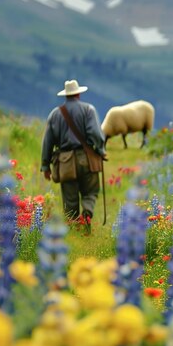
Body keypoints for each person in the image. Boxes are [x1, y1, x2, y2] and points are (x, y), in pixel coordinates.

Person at [40, 79, 106, 234]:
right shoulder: (88, 109)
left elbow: (47, 142)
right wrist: (101, 150)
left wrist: (45, 166)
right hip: (86, 158)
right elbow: (96, 134)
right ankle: (87, 214)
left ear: (66, 95)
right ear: (78, 93)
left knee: (70, 199)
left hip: (65, 161)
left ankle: (74, 229)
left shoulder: (55, 114)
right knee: (90, 192)